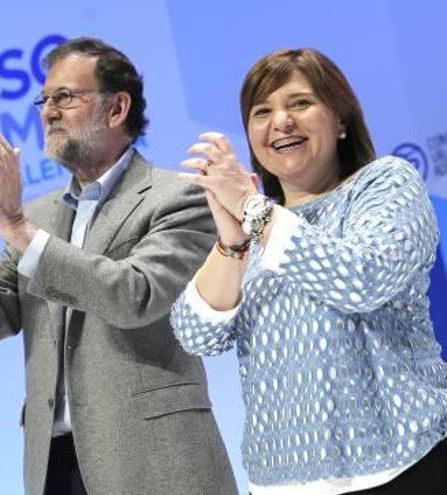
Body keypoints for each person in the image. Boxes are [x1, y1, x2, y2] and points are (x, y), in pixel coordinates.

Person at [0, 37, 237, 495]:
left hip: (153, 460)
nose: (48, 111)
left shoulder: (178, 198)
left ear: (117, 108)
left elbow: (136, 295)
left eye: (65, 97)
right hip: (54, 467)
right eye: (44, 99)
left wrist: (17, 229)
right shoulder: (42, 216)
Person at [171, 47, 447, 494]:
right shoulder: (256, 231)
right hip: (281, 482)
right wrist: (233, 243)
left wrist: (251, 209)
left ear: (340, 121)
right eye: (262, 112)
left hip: (403, 467)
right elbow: (196, 334)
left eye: (300, 103)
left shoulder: (383, 185)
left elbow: (362, 280)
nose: (281, 121)